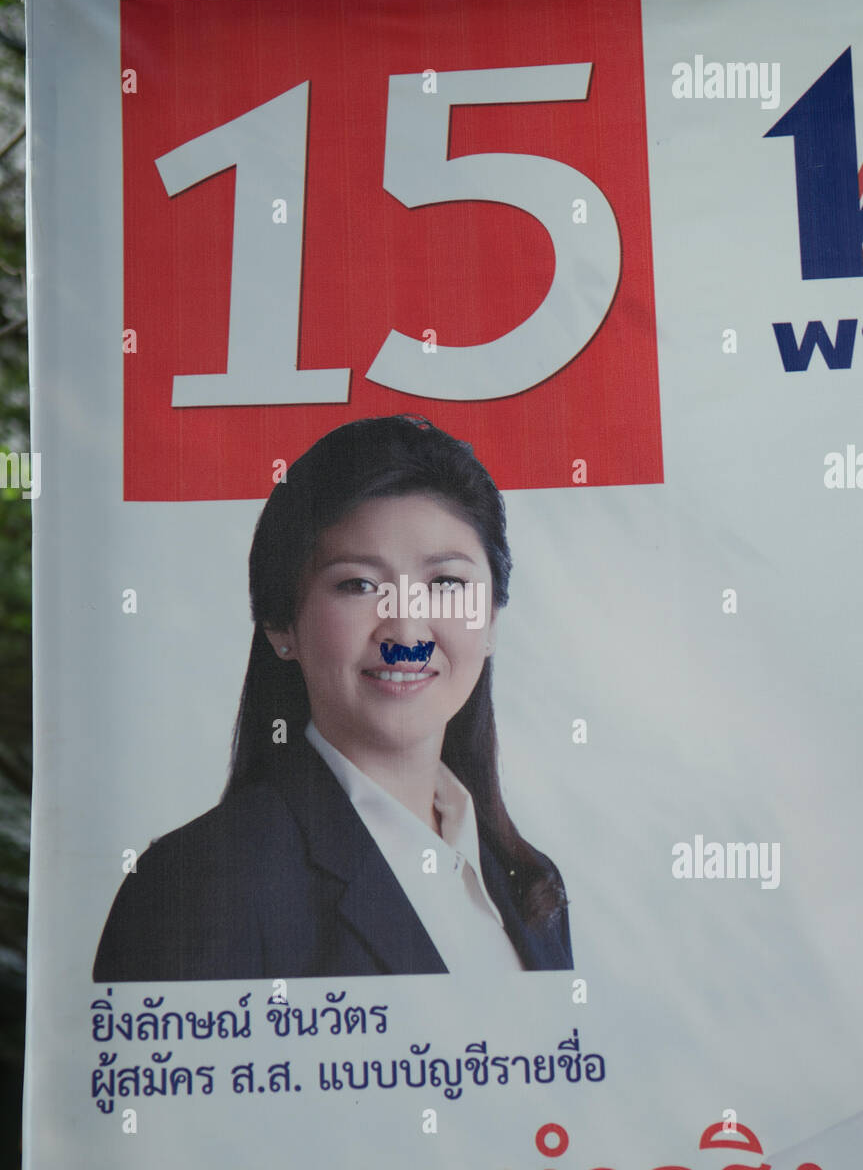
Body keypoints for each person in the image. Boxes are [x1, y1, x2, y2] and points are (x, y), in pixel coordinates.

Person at [93, 416, 573, 981]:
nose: (406, 633)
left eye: (445, 583)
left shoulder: (531, 886)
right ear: (280, 624)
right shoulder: (200, 884)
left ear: (490, 618)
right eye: (358, 585)